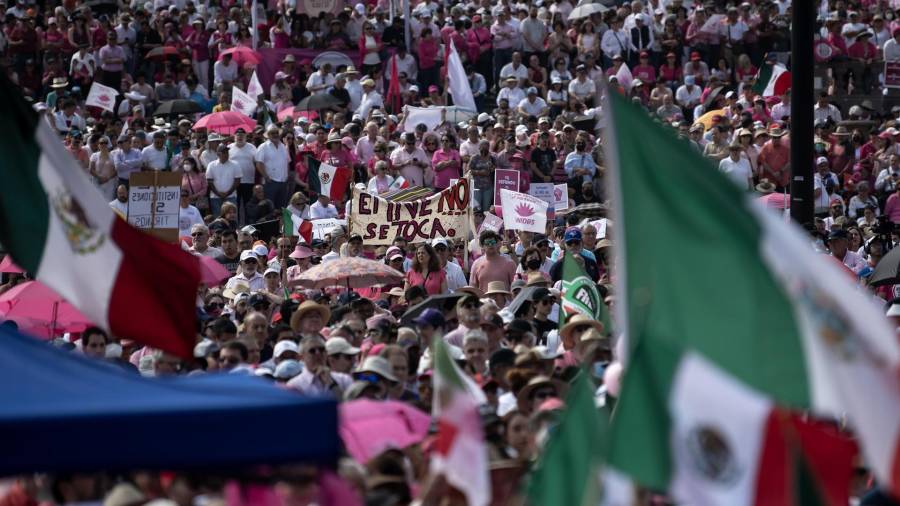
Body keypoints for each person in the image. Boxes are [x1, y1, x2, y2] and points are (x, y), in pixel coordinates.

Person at [206, 144, 241, 217]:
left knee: (232, 218)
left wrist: (228, 193)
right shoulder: (211, 165)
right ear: (218, 154)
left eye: (227, 152)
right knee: (218, 218)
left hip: (231, 196)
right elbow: (209, 181)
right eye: (224, 152)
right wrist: (218, 194)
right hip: (215, 197)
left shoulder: (235, 164)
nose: (226, 154)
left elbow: (237, 180)